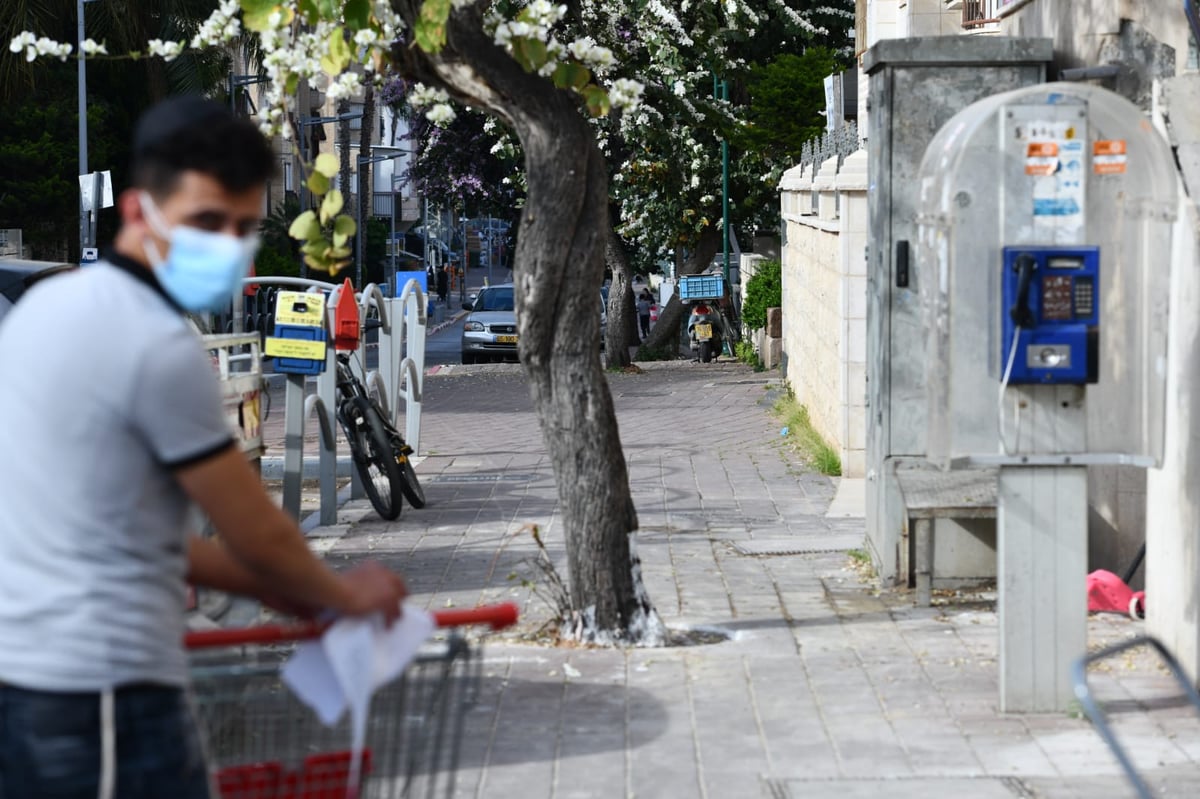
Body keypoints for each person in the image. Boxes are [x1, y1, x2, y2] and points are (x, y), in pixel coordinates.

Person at [0, 96, 408, 799]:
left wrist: (298, 600)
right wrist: (342, 594)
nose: (225, 244)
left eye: (241, 227)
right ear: (137, 213)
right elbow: (258, 534)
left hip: (29, 689)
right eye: (204, 222)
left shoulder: (40, 310)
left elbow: (137, 538)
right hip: (107, 700)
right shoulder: (156, 343)